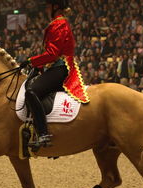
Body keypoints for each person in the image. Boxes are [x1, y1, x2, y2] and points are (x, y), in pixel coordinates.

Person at [20, 0, 88, 147]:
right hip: (55, 66)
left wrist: (31, 61)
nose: (46, 9)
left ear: (56, 7)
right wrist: (39, 66)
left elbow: (52, 53)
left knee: (31, 92)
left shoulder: (59, 24)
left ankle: (43, 134)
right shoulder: (59, 23)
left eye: (48, 6)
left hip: (61, 68)